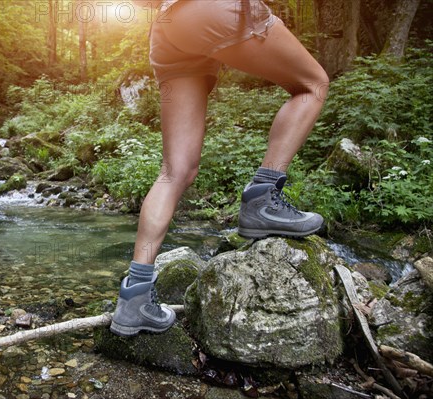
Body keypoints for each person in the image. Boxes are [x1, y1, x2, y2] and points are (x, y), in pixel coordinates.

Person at [109, 0, 330, 337]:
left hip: (169, 27)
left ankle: (134, 298)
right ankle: (264, 198)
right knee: (312, 84)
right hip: (213, 9)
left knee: (174, 171)